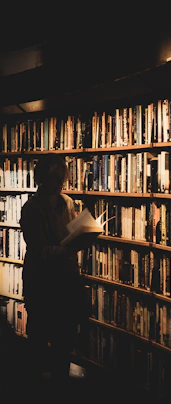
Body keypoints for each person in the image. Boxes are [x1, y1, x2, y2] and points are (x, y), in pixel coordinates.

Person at [20, 153, 89, 389]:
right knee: (39, 337)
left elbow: (69, 234)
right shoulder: (31, 209)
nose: (61, 182)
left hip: (66, 280)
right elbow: (41, 251)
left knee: (64, 338)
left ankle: (59, 388)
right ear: (42, 178)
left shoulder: (67, 203)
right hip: (42, 282)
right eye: (56, 177)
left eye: (63, 177)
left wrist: (82, 236)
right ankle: (36, 393)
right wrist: (68, 247)